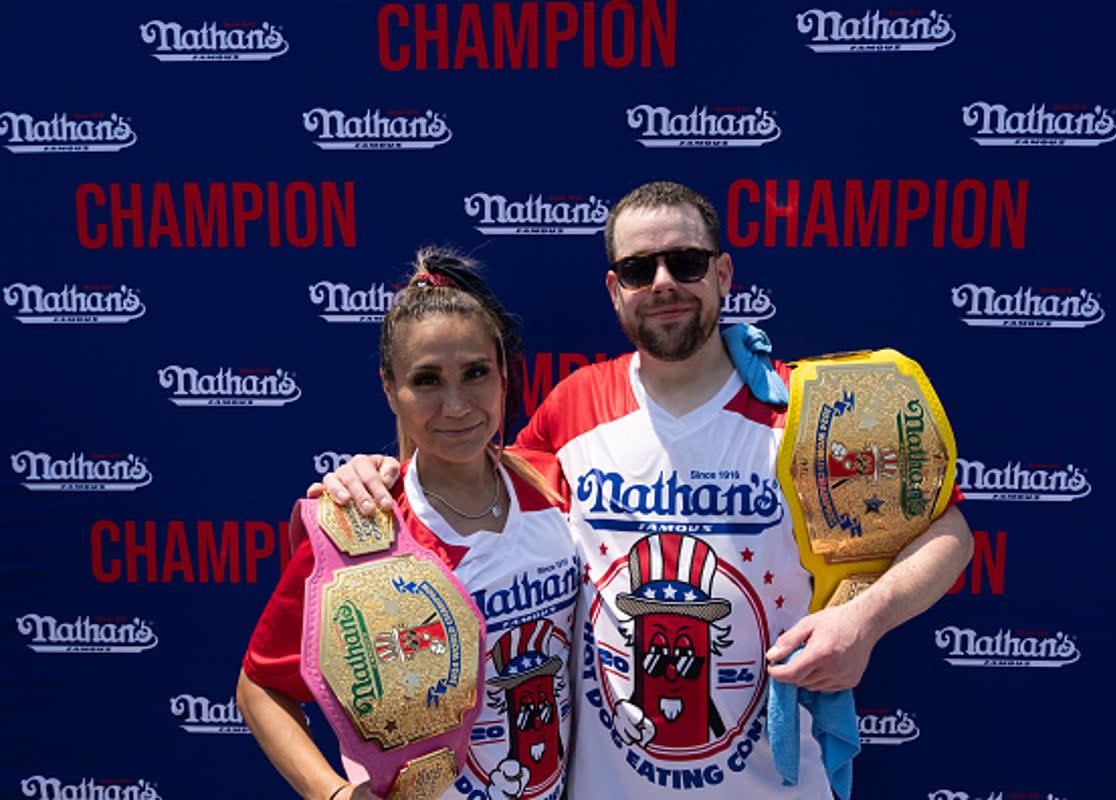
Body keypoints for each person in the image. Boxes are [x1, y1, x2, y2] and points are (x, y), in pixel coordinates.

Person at [322, 181, 974, 799]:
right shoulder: (574, 406)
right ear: (615, 290)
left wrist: (864, 621)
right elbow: (467, 475)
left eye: (685, 262)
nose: (663, 283)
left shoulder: (802, 412)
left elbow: (947, 532)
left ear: (723, 275)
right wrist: (378, 473)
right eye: (640, 269)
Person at [237, 248, 579, 800]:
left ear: (503, 374)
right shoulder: (362, 529)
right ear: (388, 388)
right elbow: (259, 687)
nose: (456, 404)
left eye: (475, 373)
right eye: (426, 380)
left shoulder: (552, 483)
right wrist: (332, 794)